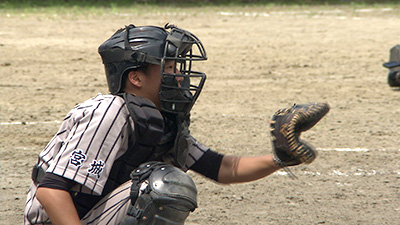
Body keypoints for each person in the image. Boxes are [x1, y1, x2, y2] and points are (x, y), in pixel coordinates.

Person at [24, 24, 320, 225]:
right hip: (58, 219)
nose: (179, 75)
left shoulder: (161, 119)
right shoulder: (109, 111)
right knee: (161, 186)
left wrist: (280, 158)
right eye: (168, 67)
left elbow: (221, 167)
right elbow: (51, 191)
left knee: (165, 182)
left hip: (93, 214)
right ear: (135, 77)